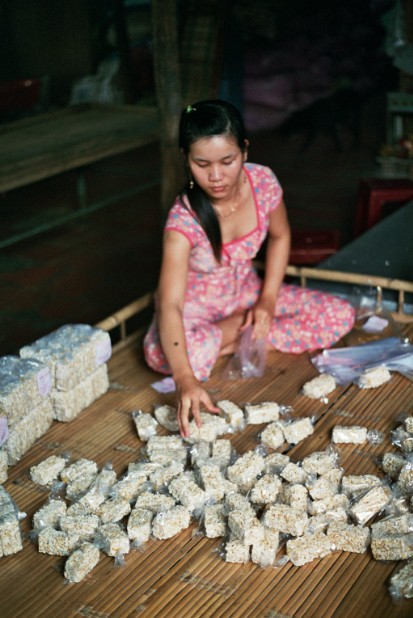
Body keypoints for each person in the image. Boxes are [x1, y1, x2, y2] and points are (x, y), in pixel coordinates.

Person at [144, 99, 355, 437]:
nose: (216, 176)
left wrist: (267, 301)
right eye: (201, 164)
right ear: (186, 158)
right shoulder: (183, 218)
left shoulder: (263, 182)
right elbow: (169, 303)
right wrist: (185, 379)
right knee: (164, 355)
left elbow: (281, 236)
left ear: (244, 150)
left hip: (248, 293)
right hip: (194, 311)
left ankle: (242, 336)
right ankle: (243, 334)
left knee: (340, 314)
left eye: (227, 161)